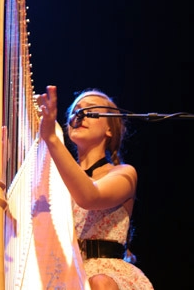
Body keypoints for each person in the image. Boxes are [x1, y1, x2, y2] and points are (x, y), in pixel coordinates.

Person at [38, 85, 154, 290]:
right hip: (63, 271)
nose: (80, 115)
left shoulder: (124, 173)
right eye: (76, 111)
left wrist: (53, 140)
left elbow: (90, 196)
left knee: (99, 284)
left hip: (107, 276)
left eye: (89, 110)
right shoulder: (53, 182)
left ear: (110, 129)